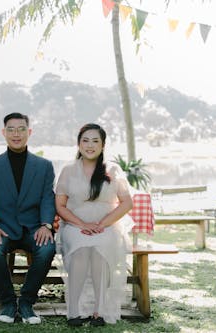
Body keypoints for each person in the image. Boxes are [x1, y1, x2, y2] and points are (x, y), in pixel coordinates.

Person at [0, 112, 56, 324]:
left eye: (21, 129)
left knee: (47, 248)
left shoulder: (44, 166)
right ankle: (8, 303)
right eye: (11, 129)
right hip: (3, 228)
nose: (16, 134)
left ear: (29, 132)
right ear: (4, 133)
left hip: (33, 228)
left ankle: (27, 303)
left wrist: (46, 225)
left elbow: (48, 198)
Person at [55, 123, 134, 326]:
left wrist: (102, 224)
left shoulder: (113, 170)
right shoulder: (69, 170)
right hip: (74, 225)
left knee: (100, 252)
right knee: (80, 251)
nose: (90, 145)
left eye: (95, 141)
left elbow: (127, 203)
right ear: (79, 144)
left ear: (103, 145)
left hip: (106, 226)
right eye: (85, 140)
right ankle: (74, 312)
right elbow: (60, 206)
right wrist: (81, 224)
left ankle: (99, 311)